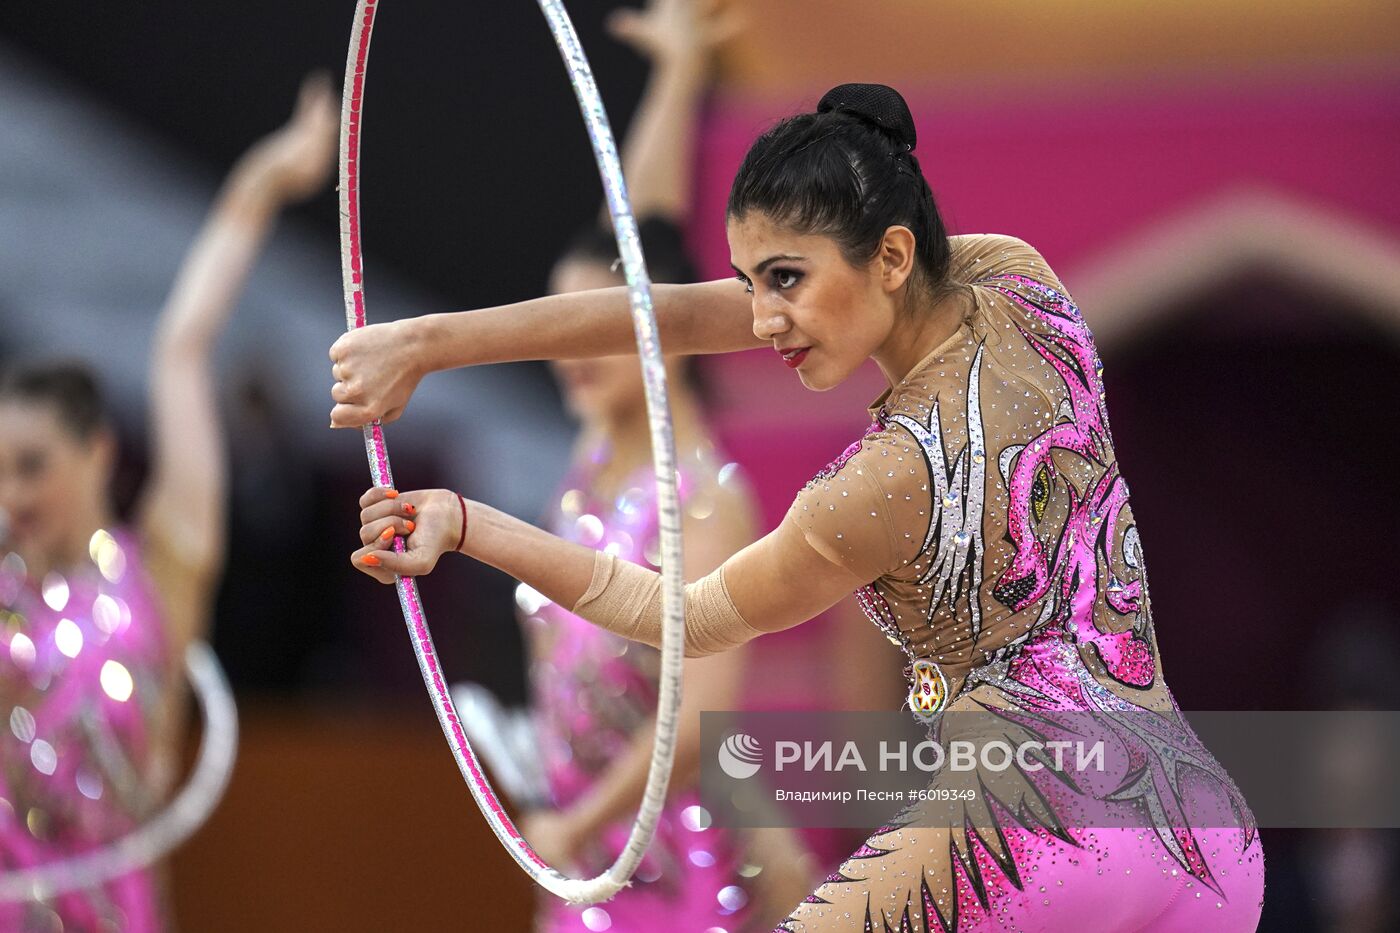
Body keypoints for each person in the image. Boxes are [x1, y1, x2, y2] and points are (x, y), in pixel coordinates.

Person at [331, 84, 1264, 931]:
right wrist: (427, 343)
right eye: (750, 285)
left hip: (1036, 836)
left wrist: (467, 521)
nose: (761, 320)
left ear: (892, 254)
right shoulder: (1015, 282)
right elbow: (675, 317)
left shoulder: (875, 486)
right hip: (1205, 840)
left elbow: (678, 616)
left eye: (785, 280)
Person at [492, 0, 814, 928]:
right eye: (561, 330)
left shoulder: (704, 503)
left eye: (589, 334)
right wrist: (678, 73)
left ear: (659, 331)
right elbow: (634, 231)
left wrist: (572, 830)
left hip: (661, 873)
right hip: (585, 866)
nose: (569, 352)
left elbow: (692, 727)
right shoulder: (596, 444)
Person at [0, 75, 337, 930]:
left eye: (33, 464)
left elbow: (182, 348)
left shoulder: (164, 570)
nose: (13, 494)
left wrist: (260, 186)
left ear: (99, 451)